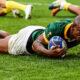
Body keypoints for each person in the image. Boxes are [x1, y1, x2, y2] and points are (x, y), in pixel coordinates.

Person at [0, 15, 80, 58]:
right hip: (26, 41)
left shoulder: (75, 29)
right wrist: (48, 52)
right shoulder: (57, 28)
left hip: (40, 31)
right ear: (72, 28)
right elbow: (35, 44)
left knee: (9, 38)